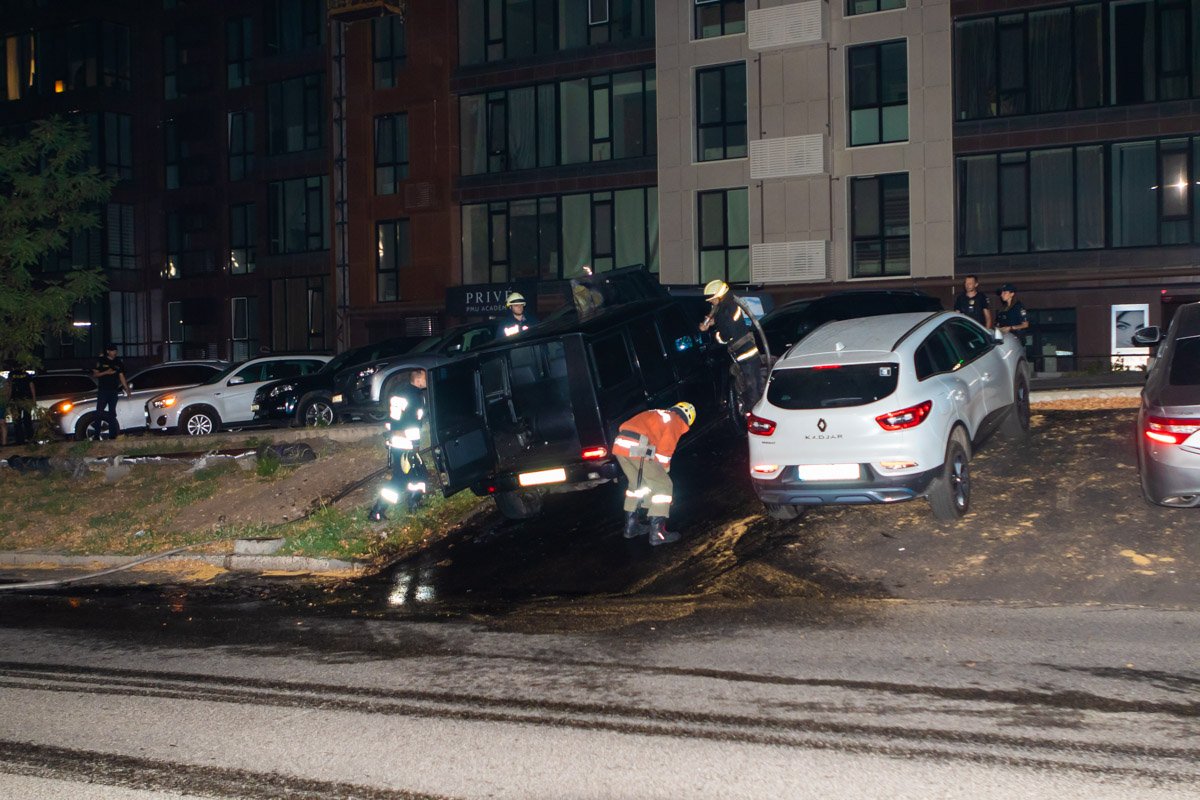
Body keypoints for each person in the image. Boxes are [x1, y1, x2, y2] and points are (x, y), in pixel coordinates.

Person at [612, 401, 696, 546]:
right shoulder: (675, 420)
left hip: (620, 444)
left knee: (636, 485)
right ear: (687, 418)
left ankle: (631, 527)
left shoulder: (659, 414)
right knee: (663, 486)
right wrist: (662, 472)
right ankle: (657, 533)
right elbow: (665, 450)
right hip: (637, 446)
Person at [369, 368, 430, 522]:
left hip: (403, 443)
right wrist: (411, 443)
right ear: (418, 378)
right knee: (401, 479)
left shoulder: (404, 391)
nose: (428, 379)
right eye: (425, 376)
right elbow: (408, 423)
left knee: (419, 473)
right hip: (404, 444)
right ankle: (377, 510)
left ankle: (414, 502)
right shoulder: (412, 395)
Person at [698, 279, 763, 413]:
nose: (710, 301)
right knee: (752, 384)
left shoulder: (725, 310)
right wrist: (713, 322)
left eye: (712, 299)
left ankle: (755, 414)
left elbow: (727, 335)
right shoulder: (729, 304)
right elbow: (728, 321)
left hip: (745, 354)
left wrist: (715, 335)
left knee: (752, 387)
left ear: (718, 296)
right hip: (747, 352)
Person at [92, 343, 131, 435]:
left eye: (115, 351)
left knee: (112, 413)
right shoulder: (101, 360)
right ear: (108, 351)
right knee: (99, 412)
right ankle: (96, 435)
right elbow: (95, 374)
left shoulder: (118, 361)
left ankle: (112, 435)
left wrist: (127, 389)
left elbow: (121, 376)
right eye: (112, 351)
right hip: (103, 390)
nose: (114, 352)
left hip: (113, 391)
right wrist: (106, 372)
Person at [6, 362, 35, 445]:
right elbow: (32, 386)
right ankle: (30, 438)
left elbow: (10, 387)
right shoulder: (26, 375)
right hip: (26, 400)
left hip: (16, 400)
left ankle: (19, 440)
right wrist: (33, 399)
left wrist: (8, 399)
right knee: (27, 420)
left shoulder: (11, 374)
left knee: (17, 421)